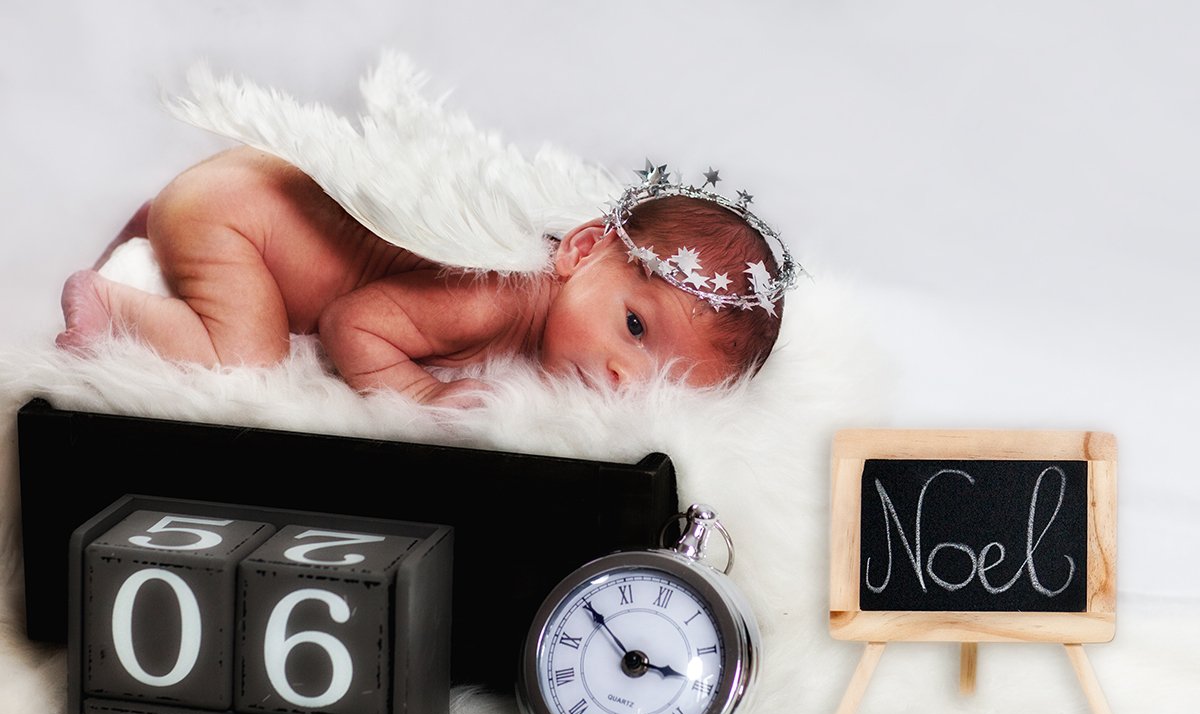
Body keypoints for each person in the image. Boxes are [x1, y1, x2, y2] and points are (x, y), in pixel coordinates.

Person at [57, 147, 795, 406]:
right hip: (238, 216)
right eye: (634, 326)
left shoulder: (545, 298)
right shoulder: (492, 298)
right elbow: (351, 322)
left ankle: (159, 229)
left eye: (661, 381)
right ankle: (115, 306)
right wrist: (417, 393)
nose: (621, 376)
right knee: (250, 359)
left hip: (242, 186)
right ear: (580, 248)